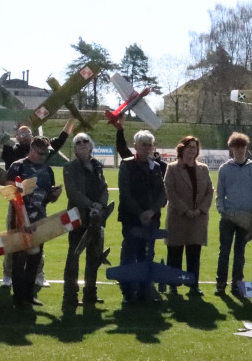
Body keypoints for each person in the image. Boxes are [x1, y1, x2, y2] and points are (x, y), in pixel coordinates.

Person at [0, 112, 74, 288]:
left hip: (38, 208)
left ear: (32, 137)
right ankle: (8, 275)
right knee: (13, 241)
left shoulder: (44, 156)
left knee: (38, 241)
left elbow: (61, 139)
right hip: (16, 207)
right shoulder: (12, 153)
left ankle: (39, 274)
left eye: (27, 133)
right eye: (21, 134)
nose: (24, 136)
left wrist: (72, 119)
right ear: (17, 137)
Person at [5, 136, 62, 309]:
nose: (43, 157)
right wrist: (22, 217)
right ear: (31, 150)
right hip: (19, 220)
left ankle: (29, 295)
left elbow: (47, 198)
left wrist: (54, 195)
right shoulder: (17, 166)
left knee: (35, 258)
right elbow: (10, 192)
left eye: (46, 154)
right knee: (18, 259)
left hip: (39, 220)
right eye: (40, 153)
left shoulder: (48, 170)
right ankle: (18, 297)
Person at [116, 130, 168, 304]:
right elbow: (125, 194)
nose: (146, 148)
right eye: (143, 144)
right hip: (131, 219)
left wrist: (151, 211)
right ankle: (128, 292)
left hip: (152, 220)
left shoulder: (156, 167)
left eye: (149, 145)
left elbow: (162, 194)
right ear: (135, 146)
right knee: (129, 256)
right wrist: (140, 213)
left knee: (146, 255)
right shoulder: (126, 165)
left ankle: (145, 292)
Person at [214, 132, 252, 295]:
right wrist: (222, 211)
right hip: (228, 218)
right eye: (236, 146)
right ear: (231, 148)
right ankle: (220, 284)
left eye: (242, 146)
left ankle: (237, 285)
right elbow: (220, 195)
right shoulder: (224, 169)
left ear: (246, 147)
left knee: (240, 253)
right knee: (224, 252)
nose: (240, 149)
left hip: (246, 219)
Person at [63, 132, 111, 309]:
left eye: (85, 141)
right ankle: (70, 296)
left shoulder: (97, 165)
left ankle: (90, 294)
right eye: (78, 142)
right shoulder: (69, 167)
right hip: (78, 217)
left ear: (91, 146)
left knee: (94, 256)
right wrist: (92, 205)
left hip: (97, 218)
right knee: (73, 257)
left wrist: (101, 205)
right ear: (75, 149)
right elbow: (72, 193)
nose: (82, 144)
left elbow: (104, 188)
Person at [163, 135, 213, 297]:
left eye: (195, 147)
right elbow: (170, 192)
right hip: (178, 217)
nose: (192, 150)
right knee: (175, 253)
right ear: (182, 148)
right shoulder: (172, 168)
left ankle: (193, 285)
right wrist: (185, 210)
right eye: (189, 147)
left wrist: (200, 210)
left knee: (194, 254)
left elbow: (209, 191)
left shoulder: (203, 169)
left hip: (198, 218)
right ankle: (173, 285)